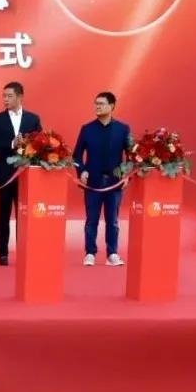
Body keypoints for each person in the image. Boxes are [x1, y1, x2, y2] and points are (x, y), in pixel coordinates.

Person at [0, 81, 42, 266]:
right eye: (4, 96)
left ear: (20, 97)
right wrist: (11, 144)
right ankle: (2, 252)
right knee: (3, 214)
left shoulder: (33, 119)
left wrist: (26, 147)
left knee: (24, 215)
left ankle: (23, 250)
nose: (5, 99)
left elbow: (40, 143)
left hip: (25, 175)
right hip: (4, 174)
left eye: (9, 96)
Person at [73, 92, 131, 267]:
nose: (97, 106)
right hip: (93, 183)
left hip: (114, 182)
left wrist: (126, 175)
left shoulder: (123, 129)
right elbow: (76, 156)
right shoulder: (87, 129)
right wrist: (82, 171)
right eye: (96, 103)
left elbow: (131, 156)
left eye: (101, 103)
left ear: (112, 106)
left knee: (112, 221)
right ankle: (90, 253)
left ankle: (112, 253)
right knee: (91, 220)